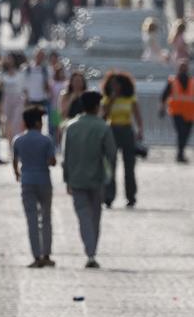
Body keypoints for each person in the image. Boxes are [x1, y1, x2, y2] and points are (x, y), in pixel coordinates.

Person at [62, 90, 116, 268]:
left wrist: (66, 179)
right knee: (95, 217)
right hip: (96, 178)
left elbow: (66, 155)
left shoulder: (71, 126)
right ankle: (92, 252)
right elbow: (112, 154)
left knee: (83, 216)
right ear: (96, 106)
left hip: (76, 178)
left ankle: (90, 250)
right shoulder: (103, 126)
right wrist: (110, 175)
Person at [12, 106, 56, 268]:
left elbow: (15, 161)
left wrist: (17, 173)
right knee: (46, 219)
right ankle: (47, 254)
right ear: (38, 123)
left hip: (27, 181)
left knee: (31, 219)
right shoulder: (46, 140)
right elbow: (52, 161)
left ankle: (36, 256)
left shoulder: (18, 140)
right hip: (44, 180)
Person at [101, 71, 143, 208]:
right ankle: (109, 196)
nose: (115, 87)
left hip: (127, 130)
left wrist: (140, 130)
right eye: (113, 84)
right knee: (111, 165)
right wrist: (112, 99)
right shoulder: (107, 99)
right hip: (112, 130)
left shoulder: (130, 98)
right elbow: (103, 115)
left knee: (129, 166)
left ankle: (131, 196)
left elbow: (137, 115)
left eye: (117, 84)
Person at [161, 60, 194, 162]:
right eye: (181, 67)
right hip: (177, 112)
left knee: (186, 134)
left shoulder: (192, 82)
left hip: (190, 114)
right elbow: (164, 96)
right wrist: (162, 108)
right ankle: (180, 154)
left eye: (185, 67)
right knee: (181, 132)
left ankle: (181, 152)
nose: (183, 70)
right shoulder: (172, 81)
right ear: (178, 69)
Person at [0, 52, 25, 147]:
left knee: (16, 123)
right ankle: (10, 145)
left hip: (18, 99)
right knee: (8, 123)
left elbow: (24, 88)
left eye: (10, 58)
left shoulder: (20, 72)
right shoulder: (2, 73)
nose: (9, 61)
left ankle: (17, 144)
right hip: (7, 99)